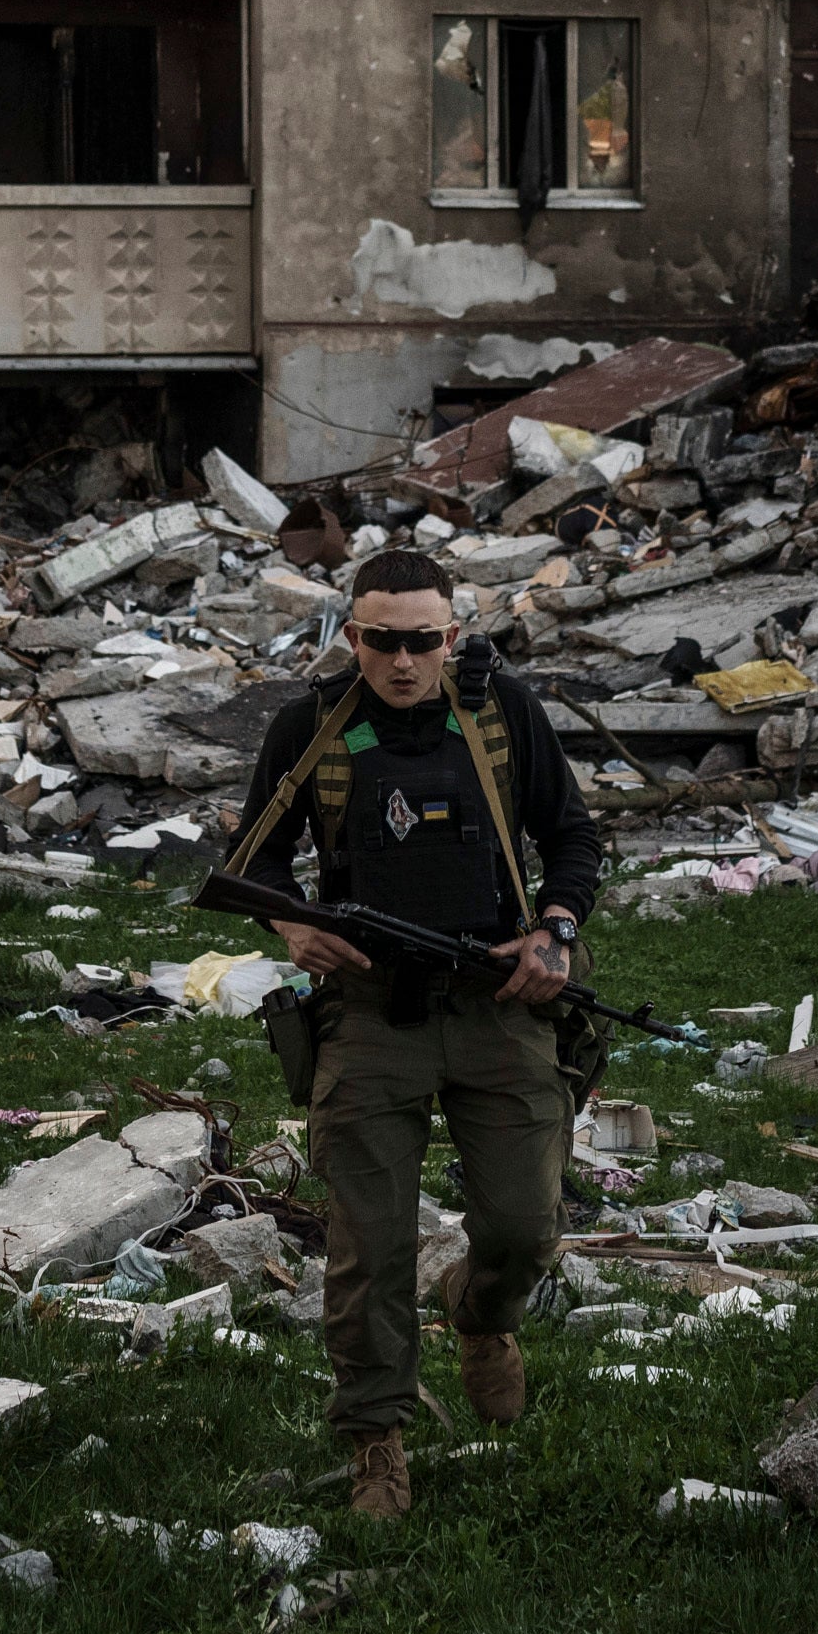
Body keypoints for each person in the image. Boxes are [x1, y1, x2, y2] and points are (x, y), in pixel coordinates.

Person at [213, 546, 601, 1516]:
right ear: (350, 636)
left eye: (420, 641)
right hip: (370, 1016)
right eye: (380, 640)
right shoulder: (315, 726)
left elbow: (572, 837)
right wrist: (294, 924)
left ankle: (479, 1314)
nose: (399, 660)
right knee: (368, 1247)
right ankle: (376, 1441)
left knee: (523, 1225)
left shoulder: (501, 715)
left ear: (450, 637)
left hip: (499, 1003)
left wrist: (553, 933)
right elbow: (250, 860)